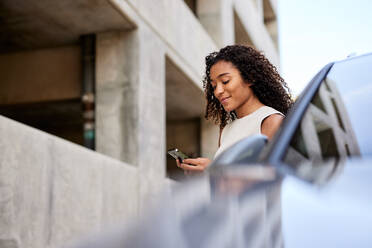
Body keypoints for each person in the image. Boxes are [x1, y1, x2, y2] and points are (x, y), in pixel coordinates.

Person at [177, 45, 293, 174]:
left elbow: (272, 178)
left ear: (250, 78)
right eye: (214, 86)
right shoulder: (226, 130)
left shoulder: (271, 121)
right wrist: (203, 174)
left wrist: (215, 168)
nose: (218, 91)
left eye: (225, 81)